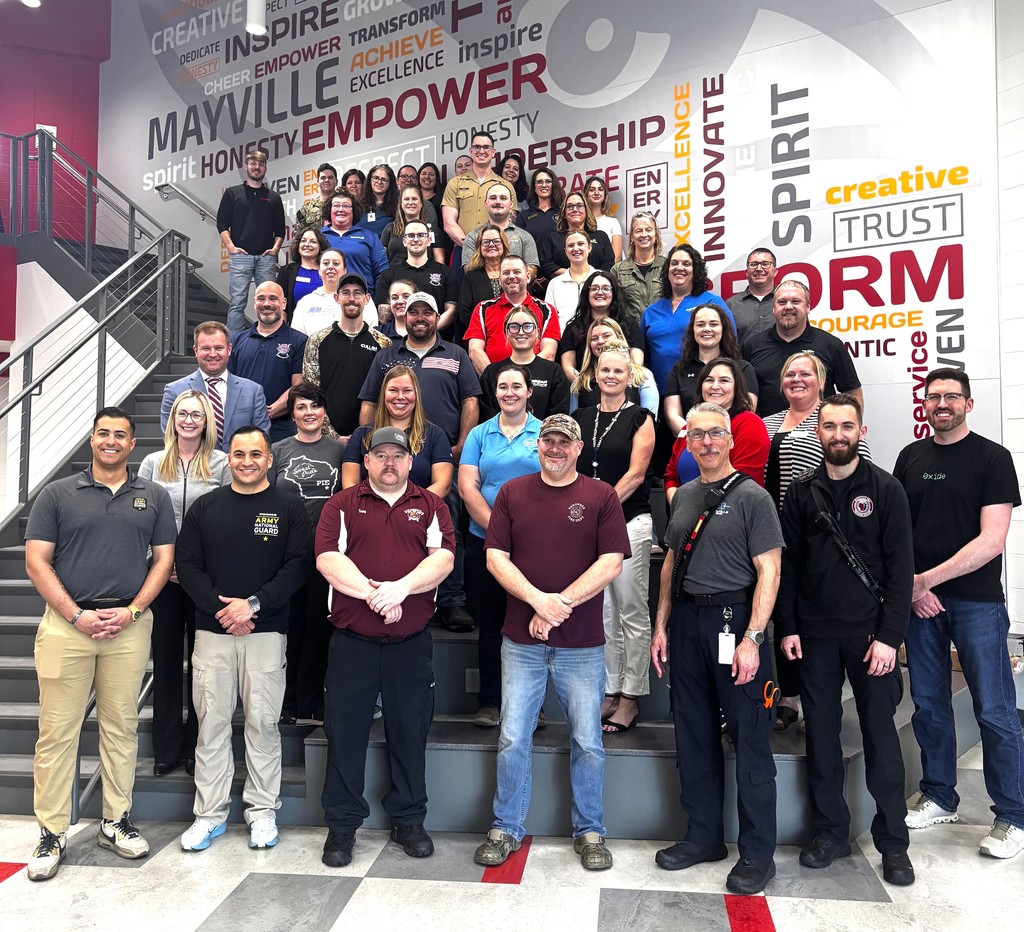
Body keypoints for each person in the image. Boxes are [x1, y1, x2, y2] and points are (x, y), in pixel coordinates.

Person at [24, 407, 176, 881]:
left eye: (120, 435)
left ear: (134, 445)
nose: (111, 441)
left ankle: (116, 820)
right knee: (57, 733)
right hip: (68, 625)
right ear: (91, 440)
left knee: (121, 727)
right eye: (103, 433)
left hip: (128, 626)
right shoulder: (57, 494)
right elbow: (36, 562)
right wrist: (77, 615)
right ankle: (51, 831)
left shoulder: (152, 495)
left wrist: (131, 612)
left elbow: (164, 561)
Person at [473, 414, 629, 871]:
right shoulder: (512, 494)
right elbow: (495, 559)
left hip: (582, 644)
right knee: (512, 737)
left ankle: (591, 831)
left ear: (579, 448)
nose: (555, 448)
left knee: (588, 740)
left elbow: (612, 562)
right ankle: (505, 827)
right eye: (548, 441)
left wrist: (557, 604)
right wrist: (538, 601)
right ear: (536, 447)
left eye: (564, 442)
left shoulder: (600, 496)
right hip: (520, 642)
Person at [777, 394, 916, 886]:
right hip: (814, 637)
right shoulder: (800, 493)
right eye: (829, 426)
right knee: (821, 739)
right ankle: (831, 833)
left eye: (847, 426)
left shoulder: (886, 490)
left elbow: (902, 574)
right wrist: (789, 627)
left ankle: (893, 843)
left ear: (861, 429)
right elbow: (788, 569)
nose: (838, 434)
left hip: (870, 639)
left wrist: (888, 639)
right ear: (818, 431)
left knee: (881, 739)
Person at [651, 401, 783, 895]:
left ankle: (757, 855)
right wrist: (661, 624)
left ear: (730, 440)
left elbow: (769, 570)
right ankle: (703, 837)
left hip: (736, 623)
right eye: (697, 434)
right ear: (687, 441)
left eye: (715, 434)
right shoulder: (683, 495)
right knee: (693, 735)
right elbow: (668, 566)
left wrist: (753, 638)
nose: (706, 442)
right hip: (687, 623)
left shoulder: (754, 498)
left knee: (750, 741)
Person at [894, 368, 1024, 859]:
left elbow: (992, 541)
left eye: (951, 397)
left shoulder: (993, 458)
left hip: (976, 604)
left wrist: (928, 580)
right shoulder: (911, 457)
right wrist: (911, 588)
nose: (941, 403)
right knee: (928, 705)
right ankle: (939, 795)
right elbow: (896, 531)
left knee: (994, 710)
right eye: (934, 397)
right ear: (924, 405)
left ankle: (1012, 816)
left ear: (968, 404)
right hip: (918, 603)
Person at [316, 426, 456, 868]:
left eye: (398, 455)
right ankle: (341, 828)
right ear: (367, 461)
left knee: (410, 735)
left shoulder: (431, 505)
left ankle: (409, 820)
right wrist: (376, 595)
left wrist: (400, 591)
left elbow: (443, 560)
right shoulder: (342, 504)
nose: (390, 463)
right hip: (352, 643)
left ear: (410, 461)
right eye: (381, 456)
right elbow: (328, 560)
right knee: (345, 736)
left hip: (410, 645)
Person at [176, 426, 310, 853]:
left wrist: (251, 605)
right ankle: (209, 814)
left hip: (267, 632)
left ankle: (262, 811)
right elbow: (188, 566)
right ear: (227, 459)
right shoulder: (205, 507)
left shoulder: (289, 508)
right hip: (211, 632)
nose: (247, 461)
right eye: (239, 454)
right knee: (211, 725)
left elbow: (297, 567)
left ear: (270, 459)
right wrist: (225, 612)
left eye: (256, 454)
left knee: (262, 724)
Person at [358, 293, 480, 633]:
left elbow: (470, 399)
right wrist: (365, 443)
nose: (421, 318)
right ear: (405, 316)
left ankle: (452, 600)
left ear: (438, 317)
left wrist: (461, 446)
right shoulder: (386, 357)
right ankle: (387, 589)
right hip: (387, 457)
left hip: (438, 455)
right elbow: (369, 401)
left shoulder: (455, 354)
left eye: (429, 312)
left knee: (448, 525)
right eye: (415, 312)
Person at [139, 390, 229, 778]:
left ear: (207, 420)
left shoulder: (223, 463)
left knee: (204, 668)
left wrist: (192, 568)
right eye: (182, 413)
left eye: (196, 414)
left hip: (206, 580)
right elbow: (139, 518)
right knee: (167, 665)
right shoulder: (152, 463)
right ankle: (166, 749)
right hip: (162, 579)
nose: (189, 420)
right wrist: (163, 563)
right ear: (172, 418)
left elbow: (229, 519)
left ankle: (197, 749)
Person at [574, 342, 655, 733]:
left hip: (628, 522)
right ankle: (609, 690)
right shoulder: (582, 416)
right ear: (594, 375)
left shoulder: (642, 418)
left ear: (630, 377)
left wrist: (599, 508)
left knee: (631, 611)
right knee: (602, 612)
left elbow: (638, 475)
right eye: (604, 371)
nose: (610, 377)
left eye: (618, 372)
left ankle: (631, 697)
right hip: (590, 527)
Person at [459, 362, 542, 726]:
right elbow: (467, 487)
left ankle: (531, 708)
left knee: (529, 623)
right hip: (486, 543)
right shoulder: (480, 434)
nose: (509, 392)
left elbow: (555, 483)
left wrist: (519, 536)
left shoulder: (544, 432)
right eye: (503, 386)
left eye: (516, 386)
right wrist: (498, 532)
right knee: (491, 624)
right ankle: (491, 702)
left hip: (534, 545)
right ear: (495, 393)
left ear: (529, 392)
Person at [272, 382, 346, 726]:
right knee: (287, 629)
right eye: (301, 407)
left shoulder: (339, 451)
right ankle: (285, 702)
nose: (308, 413)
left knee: (318, 627)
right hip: (286, 554)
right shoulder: (278, 450)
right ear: (293, 413)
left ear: (324, 411)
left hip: (326, 553)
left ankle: (311, 701)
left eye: (314, 406)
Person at [742, 280, 862, 417]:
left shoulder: (831, 345)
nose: (788, 307)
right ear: (773, 308)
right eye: (782, 302)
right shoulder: (752, 345)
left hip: (818, 434)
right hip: (766, 433)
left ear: (808, 307)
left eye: (795, 301)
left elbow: (852, 392)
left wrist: (851, 427)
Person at [302, 272, 392, 443]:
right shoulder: (316, 340)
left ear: (366, 298)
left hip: (370, 439)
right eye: (346, 292)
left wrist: (368, 434)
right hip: (325, 439)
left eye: (357, 293)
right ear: (337, 298)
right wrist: (334, 437)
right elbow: (311, 393)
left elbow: (386, 395)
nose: (352, 298)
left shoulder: (383, 343)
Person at [343, 365, 453, 499]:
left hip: (418, 514)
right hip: (370, 514)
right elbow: (350, 484)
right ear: (384, 393)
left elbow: (443, 484)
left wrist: (410, 509)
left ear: (416, 394)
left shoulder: (435, 435)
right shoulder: (362, 435)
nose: (400, 396)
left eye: (407, 390)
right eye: (393, 390)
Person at [664, 357, 769, 497]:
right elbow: (671, 475)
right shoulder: (689, 427)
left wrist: (696, 511)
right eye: (709, 380)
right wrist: (679, 504)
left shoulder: (749, 423)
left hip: (730, 512)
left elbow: (742, 479)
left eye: (724, 380)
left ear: (736, 387)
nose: (715, 386)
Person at [161, 321, 271, 452]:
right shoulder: (174, 391)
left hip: (239, 469)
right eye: (206, 348)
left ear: (229, 349)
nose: (213, 354)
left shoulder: (253, 391)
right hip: (195, 469)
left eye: (218, 348)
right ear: (196, 351)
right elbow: (170, 437)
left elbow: (262, 438)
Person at [640, 243, 734, 393]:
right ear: (667, 270)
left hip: (701, 393)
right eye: (674, 263)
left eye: (687, 264)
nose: (679, 267)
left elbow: (731, 346)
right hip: (658, 394)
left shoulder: (712, 302)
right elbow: (641, 356)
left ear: (695, 270)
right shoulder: (651, 311)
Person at [662, 304, 758, 439]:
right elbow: (672, 415)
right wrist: (697, 437)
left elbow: (748, 410)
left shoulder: (743, 368)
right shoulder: (679, 370)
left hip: (733, 443)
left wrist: (719, 439)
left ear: (723, 329)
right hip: (690, 444)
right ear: (693, 330)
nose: (707, 329)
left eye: (714, 324)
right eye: (700, 324)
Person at [216, 150, 285, 333]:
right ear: (246, 167)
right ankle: (235, 344)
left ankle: (270, 336)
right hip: (241, 257)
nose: (256, 167)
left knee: (270, 301)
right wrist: (231, 247)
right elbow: (222, 223)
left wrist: (275, 249)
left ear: (265, 168)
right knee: (237, 302)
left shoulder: (274, 198)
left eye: (260, 164)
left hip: (266, 258)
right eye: (253, 164)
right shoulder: (233, 193)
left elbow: (280, 230)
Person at [228, 281, 307, 442]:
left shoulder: (299, 341)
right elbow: (230, 382)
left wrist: (269, 411)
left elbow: (298, 385)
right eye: (261, 299)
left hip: (283, 430)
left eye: (273, 298)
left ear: (283, 303)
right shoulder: (236, 340)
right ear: (254, 303)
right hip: (242, 428)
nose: (266, 304)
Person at [464, 255, 561, 374]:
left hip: (533, 383)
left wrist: (522, 381)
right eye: (506, 273)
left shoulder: (546, 310)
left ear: (528, 277)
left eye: (517, 272)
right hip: (493, 385)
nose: (511, 276)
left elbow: (549, 351)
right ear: (500, 280)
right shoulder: (483, 309)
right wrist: (497, 380)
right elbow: (475, 350)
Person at [478, 305, 571, 422]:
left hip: (543, 438)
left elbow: (559, 418)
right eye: (514, 327)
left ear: (537, 332)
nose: (521, 332)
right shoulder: (491, 372)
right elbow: (487, 418)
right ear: (506, 333)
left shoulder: (553, 372)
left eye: (527, 327)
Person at [441, 132, 510, 276]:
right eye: (477, 147)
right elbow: (449, 223)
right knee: (464, 297)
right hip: (463, 252)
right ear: (471, 151)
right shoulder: (455, 183)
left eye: (486, 147)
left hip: (497, 255)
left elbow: (510, 223)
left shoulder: (505, 185)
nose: (482, 151)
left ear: (493, 152)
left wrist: (490, 247)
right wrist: (473, 246)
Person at [374, 218, 458, 336]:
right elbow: (384, 315)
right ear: (404, 241)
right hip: (398, 343)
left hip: (437, 341)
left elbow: (452, 311)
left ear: (429, 240)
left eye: (421, 235)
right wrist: (408, 334)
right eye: (411, 235)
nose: (416, 239)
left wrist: (426, 331)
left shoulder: (445, 273)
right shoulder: (389, 274)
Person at [559, 270, 644, 382]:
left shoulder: (630, 325)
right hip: (585, 390)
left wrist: (613, 384)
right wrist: (588, 386)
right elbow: (568, 367)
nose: (600, 292)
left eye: (606, 288)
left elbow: (637, 363)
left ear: (614, 293)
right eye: (594, 288)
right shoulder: (573, 328)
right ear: (587, 293)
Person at [571, 322, 658, 415]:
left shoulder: (643, 376)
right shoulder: (580, 381)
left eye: (606, 336)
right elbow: (572, 422)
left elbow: (649, 419)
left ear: (620, 338)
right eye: (594, 338)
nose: (600, 341)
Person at [460, 184, 539, 274]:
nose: (498, 202)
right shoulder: (473, 236)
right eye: (493, 198)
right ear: (486, 203)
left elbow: (532, 271)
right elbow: (469, 271)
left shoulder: (525, 237)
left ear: (511, 204)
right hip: (482, 287)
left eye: (503, 198)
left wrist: (509, 281)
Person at [320, 192, 389, 295]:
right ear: (329, 210)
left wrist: (379, 299)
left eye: (346, 206)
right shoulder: (318, 236)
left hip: (362, 299)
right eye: (336, 205)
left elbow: (382, 271)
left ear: (354, 211)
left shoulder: (369, 237)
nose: (341, 209)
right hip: (325, 299)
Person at [538, 190, 614, 279]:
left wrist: (591, 278)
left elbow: (609, 264)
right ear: (564, 212)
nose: (575, 210)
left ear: (587, 210)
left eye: (579, 206)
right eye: (569, 206)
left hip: (596, 287)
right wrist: (575, 274)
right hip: (563, 286)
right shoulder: (553, 238)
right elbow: (546, 265)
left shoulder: (601, 236)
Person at [456, 223, 509, 344]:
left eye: (496, 241)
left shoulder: (514, 275)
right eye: (486, 242)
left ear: (503, 244)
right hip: (480, 339)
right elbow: (464, 313)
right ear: (479, 247)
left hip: (513, 336)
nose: (491, 245)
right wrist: (485, 332)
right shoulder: (471, 277)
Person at [611, 212, 665, 322]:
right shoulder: (617, 270)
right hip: (630, 334)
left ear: (656, 236)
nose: (644, 234)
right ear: (632, 237)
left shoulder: (667, 267)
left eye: (649, 230)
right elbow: (613, 307)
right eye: (638, 231)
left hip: (661, 332)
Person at [379, 186, 445, 266]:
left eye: (414, 199)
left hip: (424, 275)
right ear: (401, 204)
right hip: (395, 276)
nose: (410, 202)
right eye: (406, 199)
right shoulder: (390, 229)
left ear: (421, 203)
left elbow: (439, 259)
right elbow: (381, 259)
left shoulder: (431, 229)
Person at [544, 230, 597, 328]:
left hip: (596, 338)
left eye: (581, 244)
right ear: (565, 251)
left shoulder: (601, 278)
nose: (576, 249)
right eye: (571, 245)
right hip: (564, 339)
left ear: (589, 248)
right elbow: (550, 319)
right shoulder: (555, 284)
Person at [726, 247, 778, 345]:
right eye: (753, 264)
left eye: (765, 264)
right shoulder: (730, 305)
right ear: (746, 272)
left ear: (775, 271)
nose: (759, 269)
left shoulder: (787, 303)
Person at [519, 168, 564, 276]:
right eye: (539, 181)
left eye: (548, 181)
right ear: (534, 187)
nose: (544, 185)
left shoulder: (563, 214)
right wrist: (531, 276)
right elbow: (518, 247)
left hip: (558, 275)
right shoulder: (524, 216)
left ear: (553, 185)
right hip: (530, 276)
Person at [276, 227, 328, 321]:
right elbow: (281, 307)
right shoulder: (286, 271)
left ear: (321, 246)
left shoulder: (328, 271)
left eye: (313, 241)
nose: (307, 244)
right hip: (296, 329)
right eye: (303, 241)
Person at [583, 176, 623, 262]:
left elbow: (616, 257)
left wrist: (602, 274)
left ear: (605, 194)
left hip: (607, 273)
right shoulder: (580, 222)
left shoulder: (613, 222)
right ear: (585, 194)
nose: (596, 193)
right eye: (592, 189)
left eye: (600, 189)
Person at [357, 163, 398, 237]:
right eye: (376, 178)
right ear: (370, 179)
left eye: (384, 180)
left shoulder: (397, 206)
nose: (379, 182)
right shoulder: (358, 205)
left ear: (390, 183)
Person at [295, 162, 337, 230]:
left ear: (336, 182)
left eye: (330, 177)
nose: (326, 180)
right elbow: (298, 237)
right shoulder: (306, 210)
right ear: (318, 182)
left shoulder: (345, 206)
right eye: (323, 178)